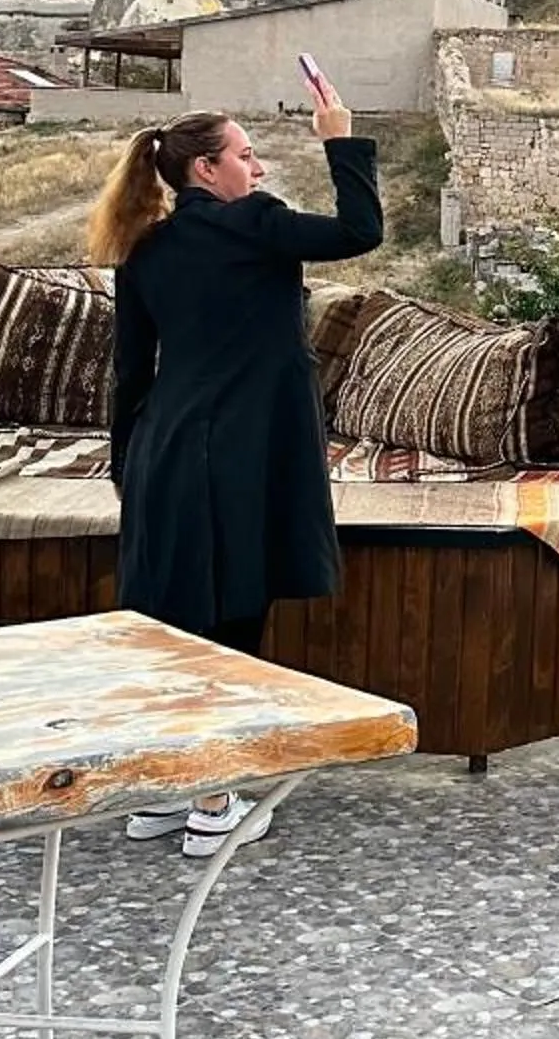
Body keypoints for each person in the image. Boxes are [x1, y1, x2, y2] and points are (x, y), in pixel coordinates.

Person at [84, 73, 382, 856]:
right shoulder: (257, 224)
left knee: (173, 630)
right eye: (247, 155)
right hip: (248, 459)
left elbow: (128, 375)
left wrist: (128, 470)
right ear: (206, 171)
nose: (258, 167)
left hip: (165, 456)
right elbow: (361, 230)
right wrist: (338, 134)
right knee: (231, 629)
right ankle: (215, 799)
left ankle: (167, 790)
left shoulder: (142, 250)